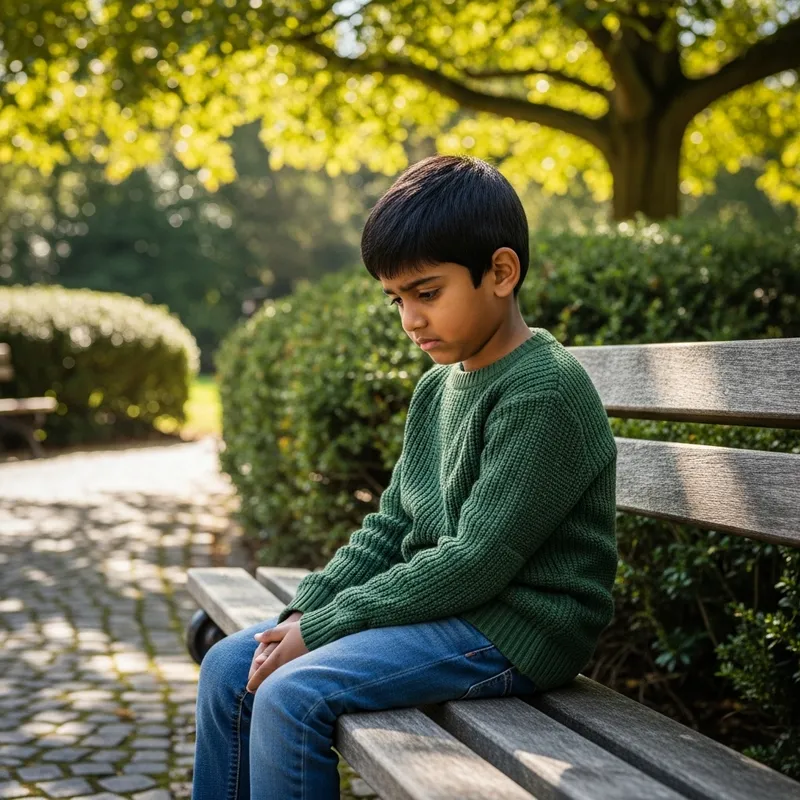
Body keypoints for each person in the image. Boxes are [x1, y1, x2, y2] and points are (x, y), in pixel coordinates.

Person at [192, 154, 618, 800]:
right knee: (230, 663)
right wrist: (305, 610)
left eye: (427, 293)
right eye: (396, 299)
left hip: (514, 629)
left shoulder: (544, 390)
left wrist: (328, 628)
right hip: (452, 613)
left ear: (501, 272)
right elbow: (392, 526)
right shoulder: (438, 388)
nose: (410, 321)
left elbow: (477, 559)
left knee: (293, 695)